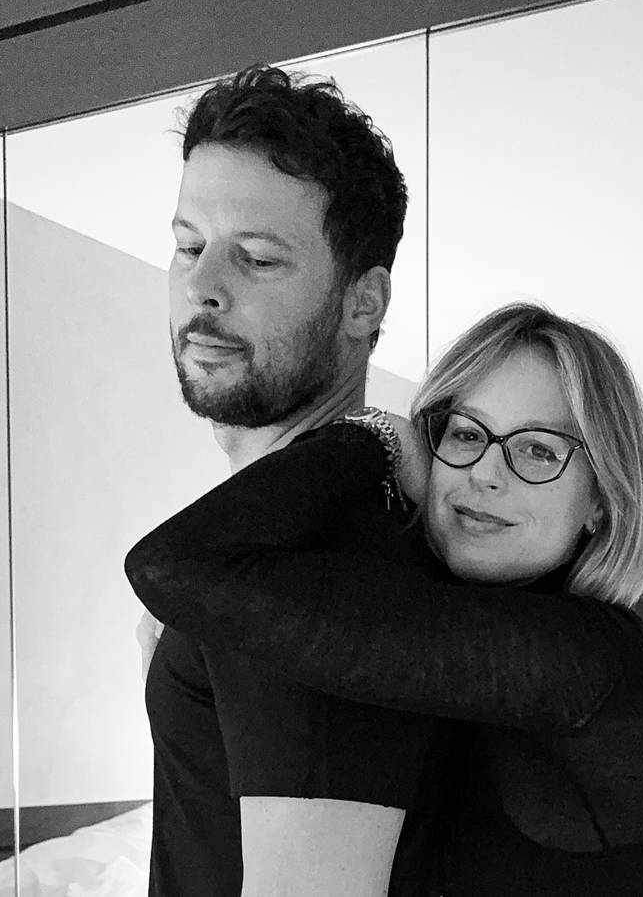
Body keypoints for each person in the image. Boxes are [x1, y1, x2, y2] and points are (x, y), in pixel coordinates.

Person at [127, 302, 643, 896]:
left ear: (600, 500)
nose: (486, 472)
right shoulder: (444, 650)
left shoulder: (598, 661)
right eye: (464, 433)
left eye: (538, 449)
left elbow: (176, 565)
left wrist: (375, 436)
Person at [138, 62, 452, 897]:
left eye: (257, 259)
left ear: (362, 304)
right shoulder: (264, 536)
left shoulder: (321, 569)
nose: (202, 287)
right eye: (188, 246)